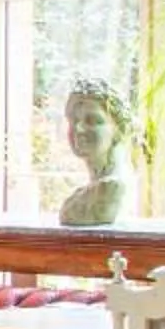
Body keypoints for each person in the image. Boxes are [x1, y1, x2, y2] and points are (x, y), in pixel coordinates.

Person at [58, 78, 135, 227]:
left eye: (92, 121)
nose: (79, 129)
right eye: (73, 120)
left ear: (119, 129)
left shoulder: (112, 189)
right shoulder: (83, 195)